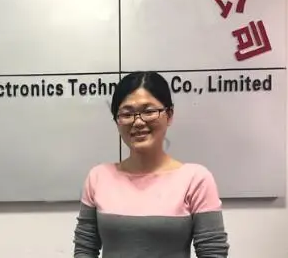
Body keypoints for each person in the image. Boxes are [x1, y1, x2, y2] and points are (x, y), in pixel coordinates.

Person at [73, 71, 229, 257]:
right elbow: (84, 249)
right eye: (127, 114)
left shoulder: (195, 180)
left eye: (148, 112)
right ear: (117, 121)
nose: (138, 122)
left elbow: (213, 252)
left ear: (169, 115)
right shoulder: (98, 177)